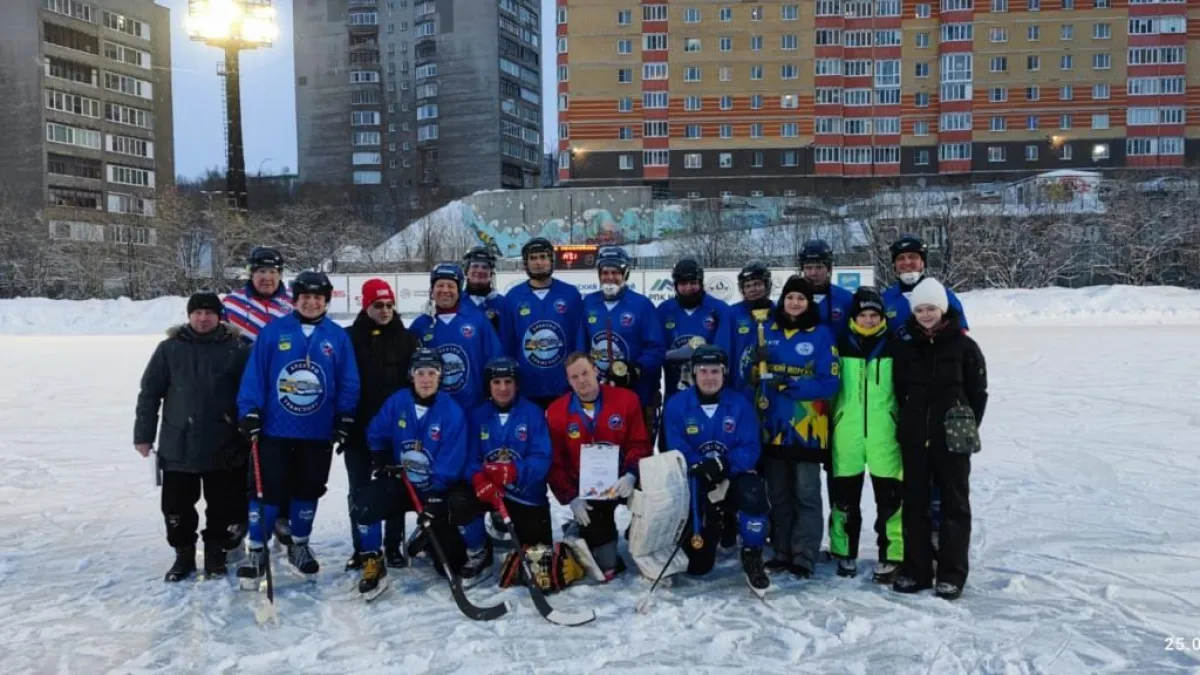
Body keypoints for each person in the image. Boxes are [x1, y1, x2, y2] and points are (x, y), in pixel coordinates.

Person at [235, 271, 360, 586]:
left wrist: (345, 416)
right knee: (266, 490)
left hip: (316, 431)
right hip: (275, 428)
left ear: (326, 301)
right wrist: (249, 411)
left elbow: (348, 381)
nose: (312, 302)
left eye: (318, 297)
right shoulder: (274, 332)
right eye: (306, 297)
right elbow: (256, 376)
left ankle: (300, 546)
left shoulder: (337, 336)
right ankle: (257, 549)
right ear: (296, 298)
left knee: (308, 489)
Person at [134, 292, 251, 582]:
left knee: (223, 505)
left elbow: (251, 394)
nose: (203, 318)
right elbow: (150, 394)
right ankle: (183, 556)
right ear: (189, 316)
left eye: (209, 312)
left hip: (223, 443)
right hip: (179, 443)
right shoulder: (169, 349)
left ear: (219, 316)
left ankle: (215, 554)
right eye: (197, 312)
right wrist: (143, 435)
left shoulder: (237, 349)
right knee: (176, 507)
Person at [891, 278, 988, 600]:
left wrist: (964, 426)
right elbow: (899, 391)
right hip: (915, 439)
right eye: (919, 309)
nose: (926, 314)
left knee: (954, 505)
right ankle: (916, 569)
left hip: (952, 440)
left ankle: (951, 573)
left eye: (931, 308)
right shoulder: (907, 349)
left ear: (943, 309)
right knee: (915, 504)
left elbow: (978, 393)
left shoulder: (965, 347)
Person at [351, 348, 475, 599]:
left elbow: (452, 459)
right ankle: (373, 560)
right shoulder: (399, 402)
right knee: (364, 505)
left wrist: (435, 495)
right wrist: (380, 455)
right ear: (412, 375)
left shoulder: (451, 412)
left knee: (451, 564)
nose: (426, 379)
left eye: (432, 373)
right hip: (403, 482)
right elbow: (376, 431)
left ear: (440, 376)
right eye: (421, 373)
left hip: (435, 490)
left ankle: (429, 538)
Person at [662, 345, 770, 594]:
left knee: (753, 492)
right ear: (694, 373)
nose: (709, 377)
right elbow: (676, 447)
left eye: (715, 371)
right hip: (696, 479)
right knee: (698, 566)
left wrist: (725, 466)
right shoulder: (677, 405)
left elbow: (750, 446)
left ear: (724, 373)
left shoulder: (740, 404)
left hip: (732, 476)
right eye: (703, 371)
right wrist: (702, 468)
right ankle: (717, 527)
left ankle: (752, 553)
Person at [757, 276, 840, 578]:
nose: (795, 303)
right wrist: (756, 363)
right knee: (777, 492)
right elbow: (753, 376)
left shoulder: (821, 334)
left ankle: (804, 553)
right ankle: (781, 548)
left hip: (807, 427)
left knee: (806, 492)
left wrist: (794, 385)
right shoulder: (768, 332)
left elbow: (830, 382)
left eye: (801, 298)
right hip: (773, 425)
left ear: (809, 303)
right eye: (790, 297)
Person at [546, 352, 652, 581]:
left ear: (596, 370)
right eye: (574, 377)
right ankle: (581, 531)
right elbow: (555, 462)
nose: (581, 380)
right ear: (568, 381)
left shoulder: (626, 400)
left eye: (585, 373)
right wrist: (571, 497)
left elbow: (640, 443)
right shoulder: (556, 412)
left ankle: (641, 536)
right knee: (607, 566)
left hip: (624, 480)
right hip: (589, 490)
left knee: (653, 494)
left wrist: (632, 474)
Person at [456, 356, 555, 583]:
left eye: (508, 382)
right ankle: (479, 551)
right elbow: (468, 458)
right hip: (489, 492)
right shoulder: (477, 416)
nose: (502, 388)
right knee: (460, 501)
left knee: (539, 557)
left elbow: (542, 457)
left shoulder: (533, 413)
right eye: (497, 382)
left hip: (526, 496)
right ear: (488, 385)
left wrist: (516, 470)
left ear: (517, 384)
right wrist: (479, 478)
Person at [829, 287, 904, 583]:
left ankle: (892, 553)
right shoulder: (839, 344)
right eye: (864, 314)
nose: (870, 320)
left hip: (885, 434)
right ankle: (844, 551)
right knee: (844, 497)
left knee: (891, 498)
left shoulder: (895, 344)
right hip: (846, 433)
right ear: (854, 316)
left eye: (875, 315)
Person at [343, 278, 418, 572]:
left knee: (395, 487)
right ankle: (363, 548)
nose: (385, 310)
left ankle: (392, 545)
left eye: (389, 305)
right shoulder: (349, 338)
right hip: (359, 427)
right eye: (378, 305)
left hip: (395, 431)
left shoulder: (407, 338)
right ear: (366, 306)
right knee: (359, 489)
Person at [221, 246, 294, 547]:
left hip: (282, 394)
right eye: (261, 271)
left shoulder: (291, 305)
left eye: (272, 272)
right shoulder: (232, 303)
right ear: (251, 273)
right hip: (240, 391)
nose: (266, 277)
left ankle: (281, 515)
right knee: (238, 457)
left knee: (281, 457)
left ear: (280, 274)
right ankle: (237, 517)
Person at [581, 246, 666, 429]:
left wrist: (635, 369)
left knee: (636, 447)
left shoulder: (642, 305)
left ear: (625, 274)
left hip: (636, 392)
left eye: (615, 272)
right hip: (597, 392)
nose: (609, 277)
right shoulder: (588, 303)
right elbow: (581, 345)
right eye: (605, 272)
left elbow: (656, 348)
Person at [500, 237, 587, 410]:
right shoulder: (513, 297)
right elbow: (507, 344)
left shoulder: (570, 294)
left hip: (564, 387)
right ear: (525, 263)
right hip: (526, 389)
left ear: (551, 260)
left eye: (542, 257)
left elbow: (579, 340)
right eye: (532, 258)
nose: (538, 262)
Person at [409, 263, 504, 414]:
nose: (445, 290)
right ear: (432, 290)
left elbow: (495, 359)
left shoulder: (477, 320)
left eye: (450, 286)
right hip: (435, 412)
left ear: (459, 291)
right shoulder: (421, 325)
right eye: (440, 285)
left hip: (473, 409)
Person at [657, 258, 734, 402]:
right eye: (683, 284)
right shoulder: (664, 310)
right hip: (675, 391)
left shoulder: (719, 309)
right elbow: (656, 351)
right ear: (675, 285)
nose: (688, 288)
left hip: (711, 390)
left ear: (701, 283)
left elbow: (724, 351)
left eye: (693, 283)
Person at [881, 235, 969, 339]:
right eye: (901, 258)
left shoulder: (942, 294)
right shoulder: (885, 298)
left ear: (923, 263)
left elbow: (960, 333)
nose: (907, 262)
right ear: (894, 265)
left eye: (913, 257)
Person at [728, 261, 775, 403]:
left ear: (767, 285)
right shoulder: (731, 314)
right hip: (740, 390)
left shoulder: (780, 313)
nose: (753, 289)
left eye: (757, 284)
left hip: (774, 388)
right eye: (747, 286)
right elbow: (726, 350)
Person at [798, 239, 853, 343]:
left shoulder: (846, 299)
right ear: (803, 269)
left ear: (829, 269)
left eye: (819, 267)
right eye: (808, 268)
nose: (813, 273)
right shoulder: (792, 300)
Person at [463, 246, 504, 331]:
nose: (480, 270)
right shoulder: (456, 303)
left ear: (491, 273)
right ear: (467, 270)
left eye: (485, 267)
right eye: (475, 266)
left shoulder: (504, 303)